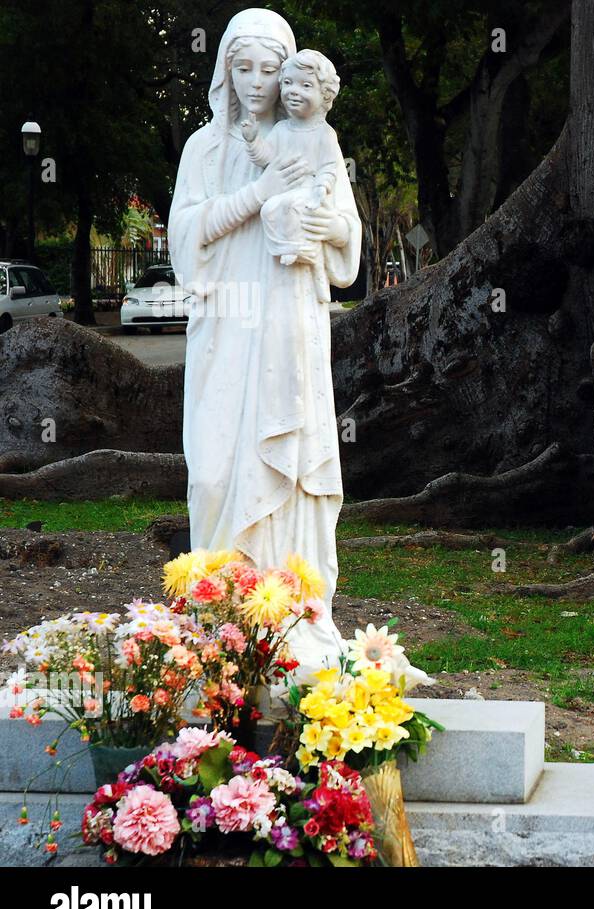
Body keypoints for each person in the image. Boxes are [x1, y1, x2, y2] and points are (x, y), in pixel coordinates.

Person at [168, 8, 362, 677]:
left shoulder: (311, 138)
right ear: (224, 68)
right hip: (225, 328)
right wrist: (256, 196)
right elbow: (184, 241)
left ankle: (292, 618)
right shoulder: (204, 149)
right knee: (218, 470)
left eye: (268, 69)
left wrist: (320, 227)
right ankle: (219, 619)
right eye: (242, 67)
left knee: (291, 465)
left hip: (288, 325)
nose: (255, 81)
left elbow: (349, 240)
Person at [241, 49, 342, 303]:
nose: (293, 91)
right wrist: (253, 140)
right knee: (269, 210)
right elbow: (265, 158)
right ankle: (288, 250)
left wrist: (322, 188)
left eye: (305, 85)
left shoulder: (325, 134)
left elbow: (330, 168)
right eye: (287, 83)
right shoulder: (281, 130)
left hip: (310, 193)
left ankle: (314, 264)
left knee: (300, 211)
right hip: (283, 192)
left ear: (325, 95)